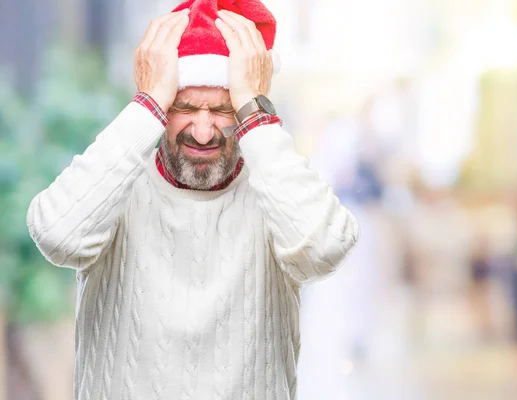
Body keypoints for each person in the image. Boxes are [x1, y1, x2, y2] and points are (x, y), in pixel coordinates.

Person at [26, 0, 359, 399]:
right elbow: (57, 235)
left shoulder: (276, 182)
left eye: (223, 110)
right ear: (162, 105)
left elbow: (324, 250)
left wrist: (255, 114)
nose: (203, 132)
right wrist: (147, 102)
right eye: (183, 107)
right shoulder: (117, 176)